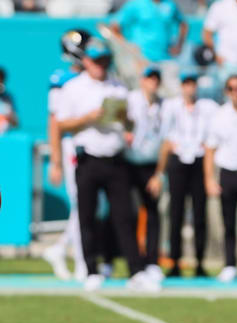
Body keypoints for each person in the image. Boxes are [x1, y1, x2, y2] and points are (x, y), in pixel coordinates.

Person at [55, 37, 160, 292]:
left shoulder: (118, 87)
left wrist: (126, 122)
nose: (101, 65)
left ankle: (135, 270)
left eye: (104, 60)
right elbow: (61, 124)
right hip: (88, 156)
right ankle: (91, 269)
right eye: (96, 60)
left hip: (115, 158)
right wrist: (89, 118)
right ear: (87, 61)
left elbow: (131, 124)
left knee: (125, 217)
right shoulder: (73, 88)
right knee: (87, 216)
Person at [148, 71, 218, 277]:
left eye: (192, 84)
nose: (189, 88)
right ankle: (174, 261)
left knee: (199, 214)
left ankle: (199, 262)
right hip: (178, 161)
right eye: (186, 83)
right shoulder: (171, 106)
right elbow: (164, 136)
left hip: (198, 159)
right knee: (176, 213)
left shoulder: (207, 107)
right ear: (181, 86)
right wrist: (160, 171)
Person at [43, 28, 91, 281]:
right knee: (81, 204)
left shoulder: (94, 79)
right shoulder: (62, 79)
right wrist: (56, 160)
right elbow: (55, 122)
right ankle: (82, 262)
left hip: (92, 145)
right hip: (74, 145)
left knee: (87, 205)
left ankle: (60, 248)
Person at [204, 75, 237, 283]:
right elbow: (210, 148)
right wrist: (209, 179)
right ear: (226, 91)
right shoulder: (219, 116)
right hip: (227, 173)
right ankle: (230, 265)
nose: (236, 92)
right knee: (229, 223)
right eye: (232, 88)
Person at [124, 66, 165, 281]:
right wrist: (124, 132)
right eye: (149, 78)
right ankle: (124, 259)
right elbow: (120, 121)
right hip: (129, 161)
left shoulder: (163, 105)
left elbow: (166, 141)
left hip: (151, 164)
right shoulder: (131, 99)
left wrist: (160, 174)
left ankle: (151, 261)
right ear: (142, 80)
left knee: (152, 212)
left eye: (156, 79)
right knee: (125, 213)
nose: (153, 82)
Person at [110, 0, 188, 63]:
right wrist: (128, 47)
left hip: (165, 57)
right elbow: (114, 27)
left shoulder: (170, 4)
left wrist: (179, 45)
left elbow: (183, 24)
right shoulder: (136, 4)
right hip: (141, 59)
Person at [203, 0, 237, 84]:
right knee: (229, 95)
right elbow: (207, 33)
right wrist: (216, 56)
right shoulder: (220, 6)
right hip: (229, 65)